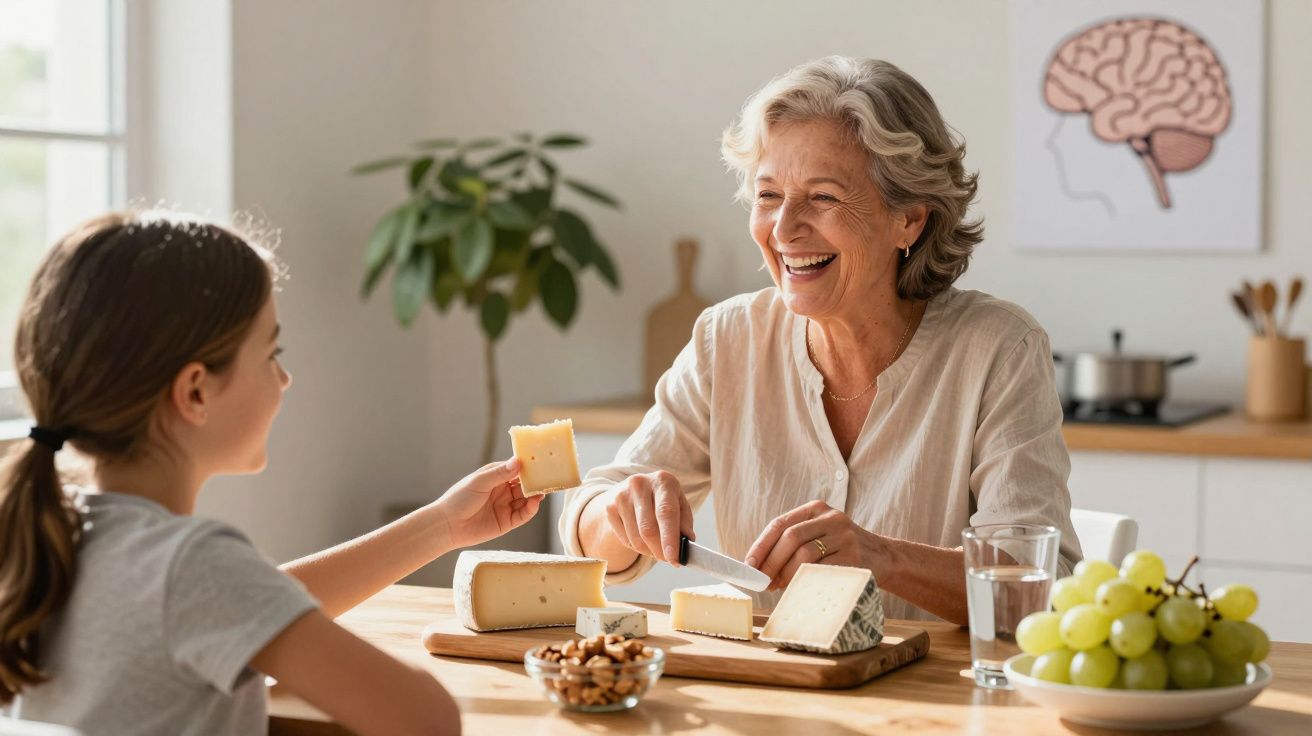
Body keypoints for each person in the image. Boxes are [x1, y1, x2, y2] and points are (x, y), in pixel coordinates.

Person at [561, 56, 1082, 624]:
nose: (783, 229)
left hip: (932, 701)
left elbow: (1039, 586)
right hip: (767, 693)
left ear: (909, 218)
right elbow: (586, 524)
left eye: (823, 197)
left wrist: (883, 558)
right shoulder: (727, 338)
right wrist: (619, 514)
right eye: (767, 196)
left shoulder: (999, 349)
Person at [0, 211, 540, 735]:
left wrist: (444, 524)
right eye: (270, 353)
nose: (284, 379)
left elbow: (245, 602)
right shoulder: (195, 566)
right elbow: (428, 720)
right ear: (195, 392)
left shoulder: (53, 540)